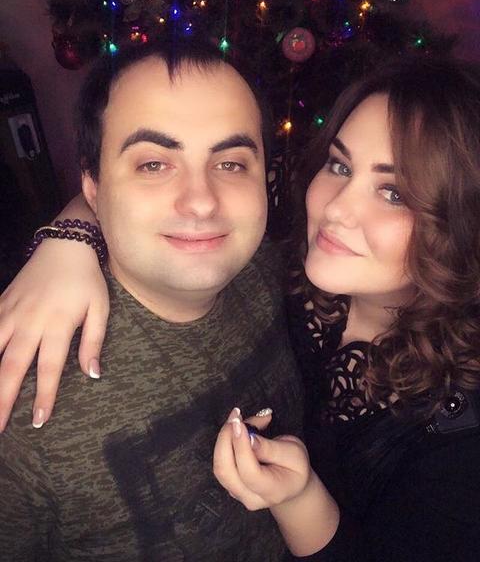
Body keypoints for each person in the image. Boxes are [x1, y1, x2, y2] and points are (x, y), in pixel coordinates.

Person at [0, 38, 304, 561]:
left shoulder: (273, 270)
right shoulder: (23, 408)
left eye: (231, 164)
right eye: (153, 165)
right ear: (92, 187)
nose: (201, 202)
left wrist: (70, 231)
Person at [213, 56, 480, 561]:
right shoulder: (290, 257)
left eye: (393, 192)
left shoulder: (461, 441)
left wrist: (299, 501)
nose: (334, 208)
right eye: (339, 166)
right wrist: (71, 239)